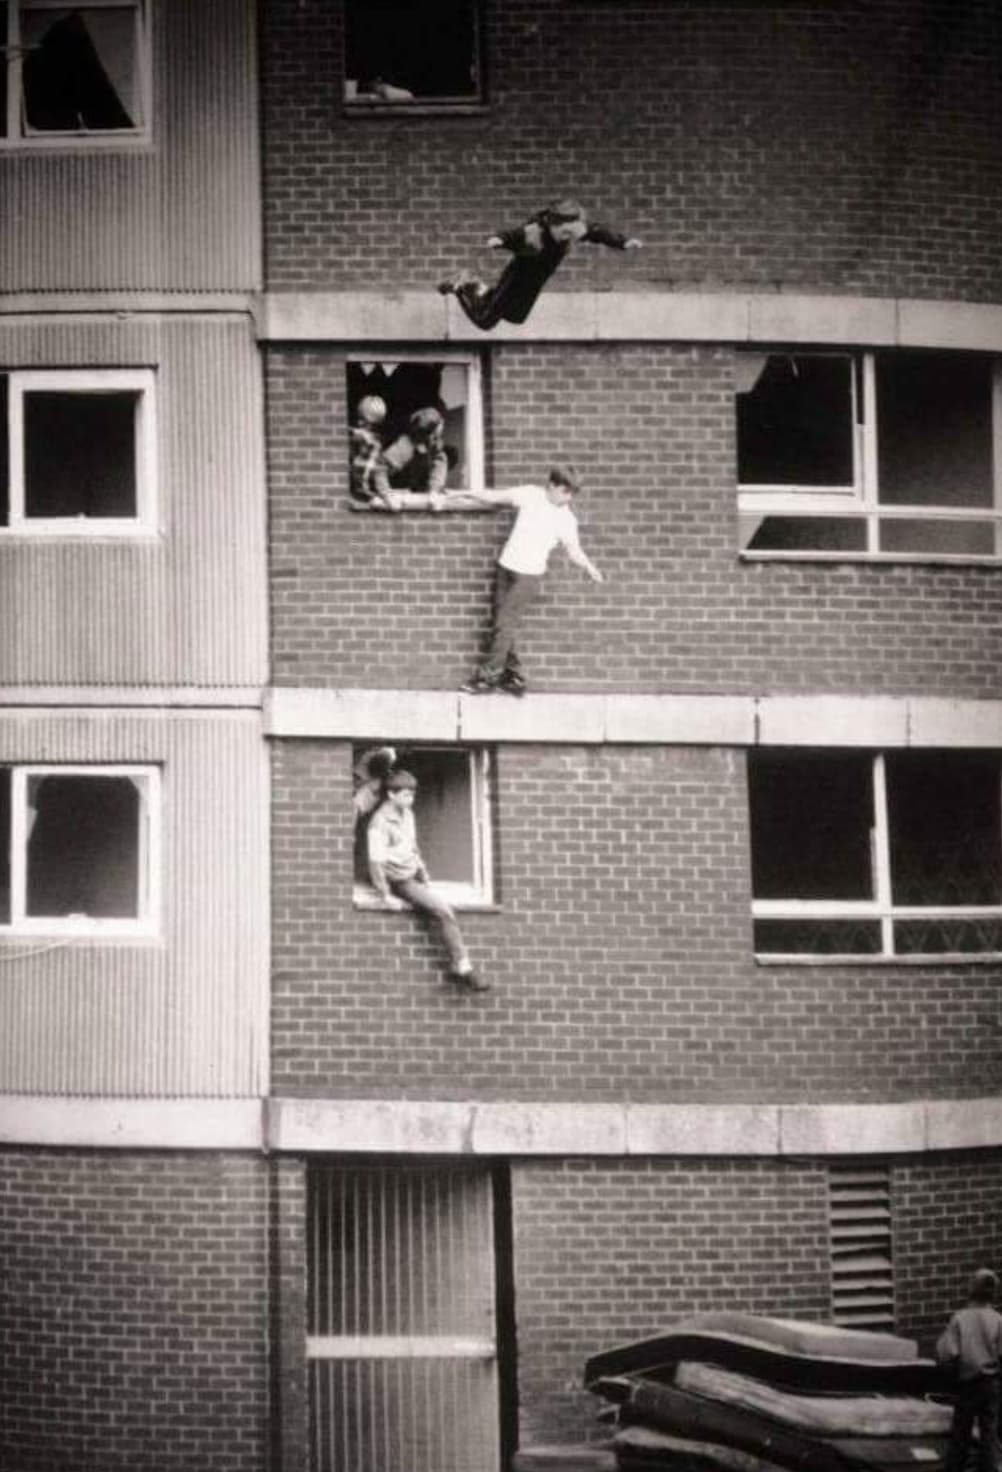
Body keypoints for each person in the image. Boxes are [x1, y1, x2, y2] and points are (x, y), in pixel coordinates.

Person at [447, 464, 603, 694]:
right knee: (501, 624)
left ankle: (487, 678)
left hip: (528, 577)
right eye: (565, 491)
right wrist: (462, 493)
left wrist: (589, 567)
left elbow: (574, 550)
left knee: (503, 623)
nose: (568, 498)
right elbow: (494, 497)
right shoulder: (530, 495)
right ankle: (513, 675)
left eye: (572, 493)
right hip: (506, 568)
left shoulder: (566, 519)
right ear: (551, 486)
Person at [437, 199, 642, 331]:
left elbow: (598, 232)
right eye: (564, 233)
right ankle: (460, 286)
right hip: (517, 279)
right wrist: (498, 240)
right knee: (486, 322)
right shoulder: (534, 232)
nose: (567, 238)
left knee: (517, 318)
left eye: (572, 234)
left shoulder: (574, 229)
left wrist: (623, 242)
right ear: (552, 226)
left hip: (535, 282)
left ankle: (477, 288)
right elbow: (513, 235)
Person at [366, 769, 487, 990]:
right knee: (443, 910)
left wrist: (423, 872)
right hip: (400, 881)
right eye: (405, 795)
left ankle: (461, 963)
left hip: (412, 874)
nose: (410, 800)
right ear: (391, 795)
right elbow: (376, 862)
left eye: (413, 795)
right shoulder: (379, 823)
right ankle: (462, 965)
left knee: (442, 904)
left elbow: (412, 846)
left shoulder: (408, 815)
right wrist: (385, 895)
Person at [936, 1267, 1002, 1472]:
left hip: (967, 1384)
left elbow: (947, 1353)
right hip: (991, 1383)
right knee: (989, 1433)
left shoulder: (960, 1318)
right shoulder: (998, 1319)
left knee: (961, 1434)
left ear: (971, 1289)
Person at [371, 406, 449, 506]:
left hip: (419, 494)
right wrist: (387, 495)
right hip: (397, 493)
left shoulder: (435, 446)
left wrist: (434, 491)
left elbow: (438, 465)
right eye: (438, 428)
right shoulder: (405, 446)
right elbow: (380, 467)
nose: (440, 431)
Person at [349, 395, 394, 508]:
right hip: (362, 498)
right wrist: (372, 496)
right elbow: (363, 471)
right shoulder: (370, 442)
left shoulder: (353, 435)